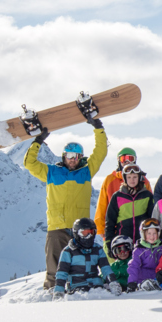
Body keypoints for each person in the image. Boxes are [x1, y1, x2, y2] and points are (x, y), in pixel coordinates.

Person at [24, 116, 107, 290]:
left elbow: (100, 152)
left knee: (82, 264)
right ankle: (52, 290)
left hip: (81, 228)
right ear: (64, 156)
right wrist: (38, 141)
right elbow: (30, 164)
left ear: (80, 157)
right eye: (69, 155)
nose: (73, 159)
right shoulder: (51, 172)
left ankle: (82, 289)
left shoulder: (86, 172)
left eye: (77, 156)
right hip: (57, 226)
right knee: (54, 264)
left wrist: (98, 128)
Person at [52, 218, 119, 299]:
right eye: (84, 233)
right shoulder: (68, 251)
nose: (89, 236)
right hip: (77, 287)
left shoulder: (97, 249)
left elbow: (105, 268)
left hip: (96, 286)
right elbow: (62, 273)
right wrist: (59, 290)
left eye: (91, 232)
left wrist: (112, 282)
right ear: (76, 233)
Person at [96, 147, 149, 240]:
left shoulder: (143, 181)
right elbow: (102, 204)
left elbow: (150, 205)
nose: (127, 161)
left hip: (139, 229)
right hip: (116, 227)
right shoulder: (110, 180)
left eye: (131, 158)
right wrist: (101, 228)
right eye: (123, 159)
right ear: (119, 161)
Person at [104, 164, 156, 248]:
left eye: (135, 177)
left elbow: (152, 218)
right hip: (122, 242)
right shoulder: (117, 196)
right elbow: (110, 221)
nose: (132, 180)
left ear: (139, 178)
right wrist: (109, 241)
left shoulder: (147, 195)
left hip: (142, 242)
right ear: (125, 179)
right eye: (129, 177)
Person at [128, 219, 162, 291]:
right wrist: (132, 282)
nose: (152, 236)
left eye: (154, 233)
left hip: (159, 278)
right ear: (143, 234)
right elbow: (134, 266)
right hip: (143, 280)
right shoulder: (139, 250)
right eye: (149, 233)